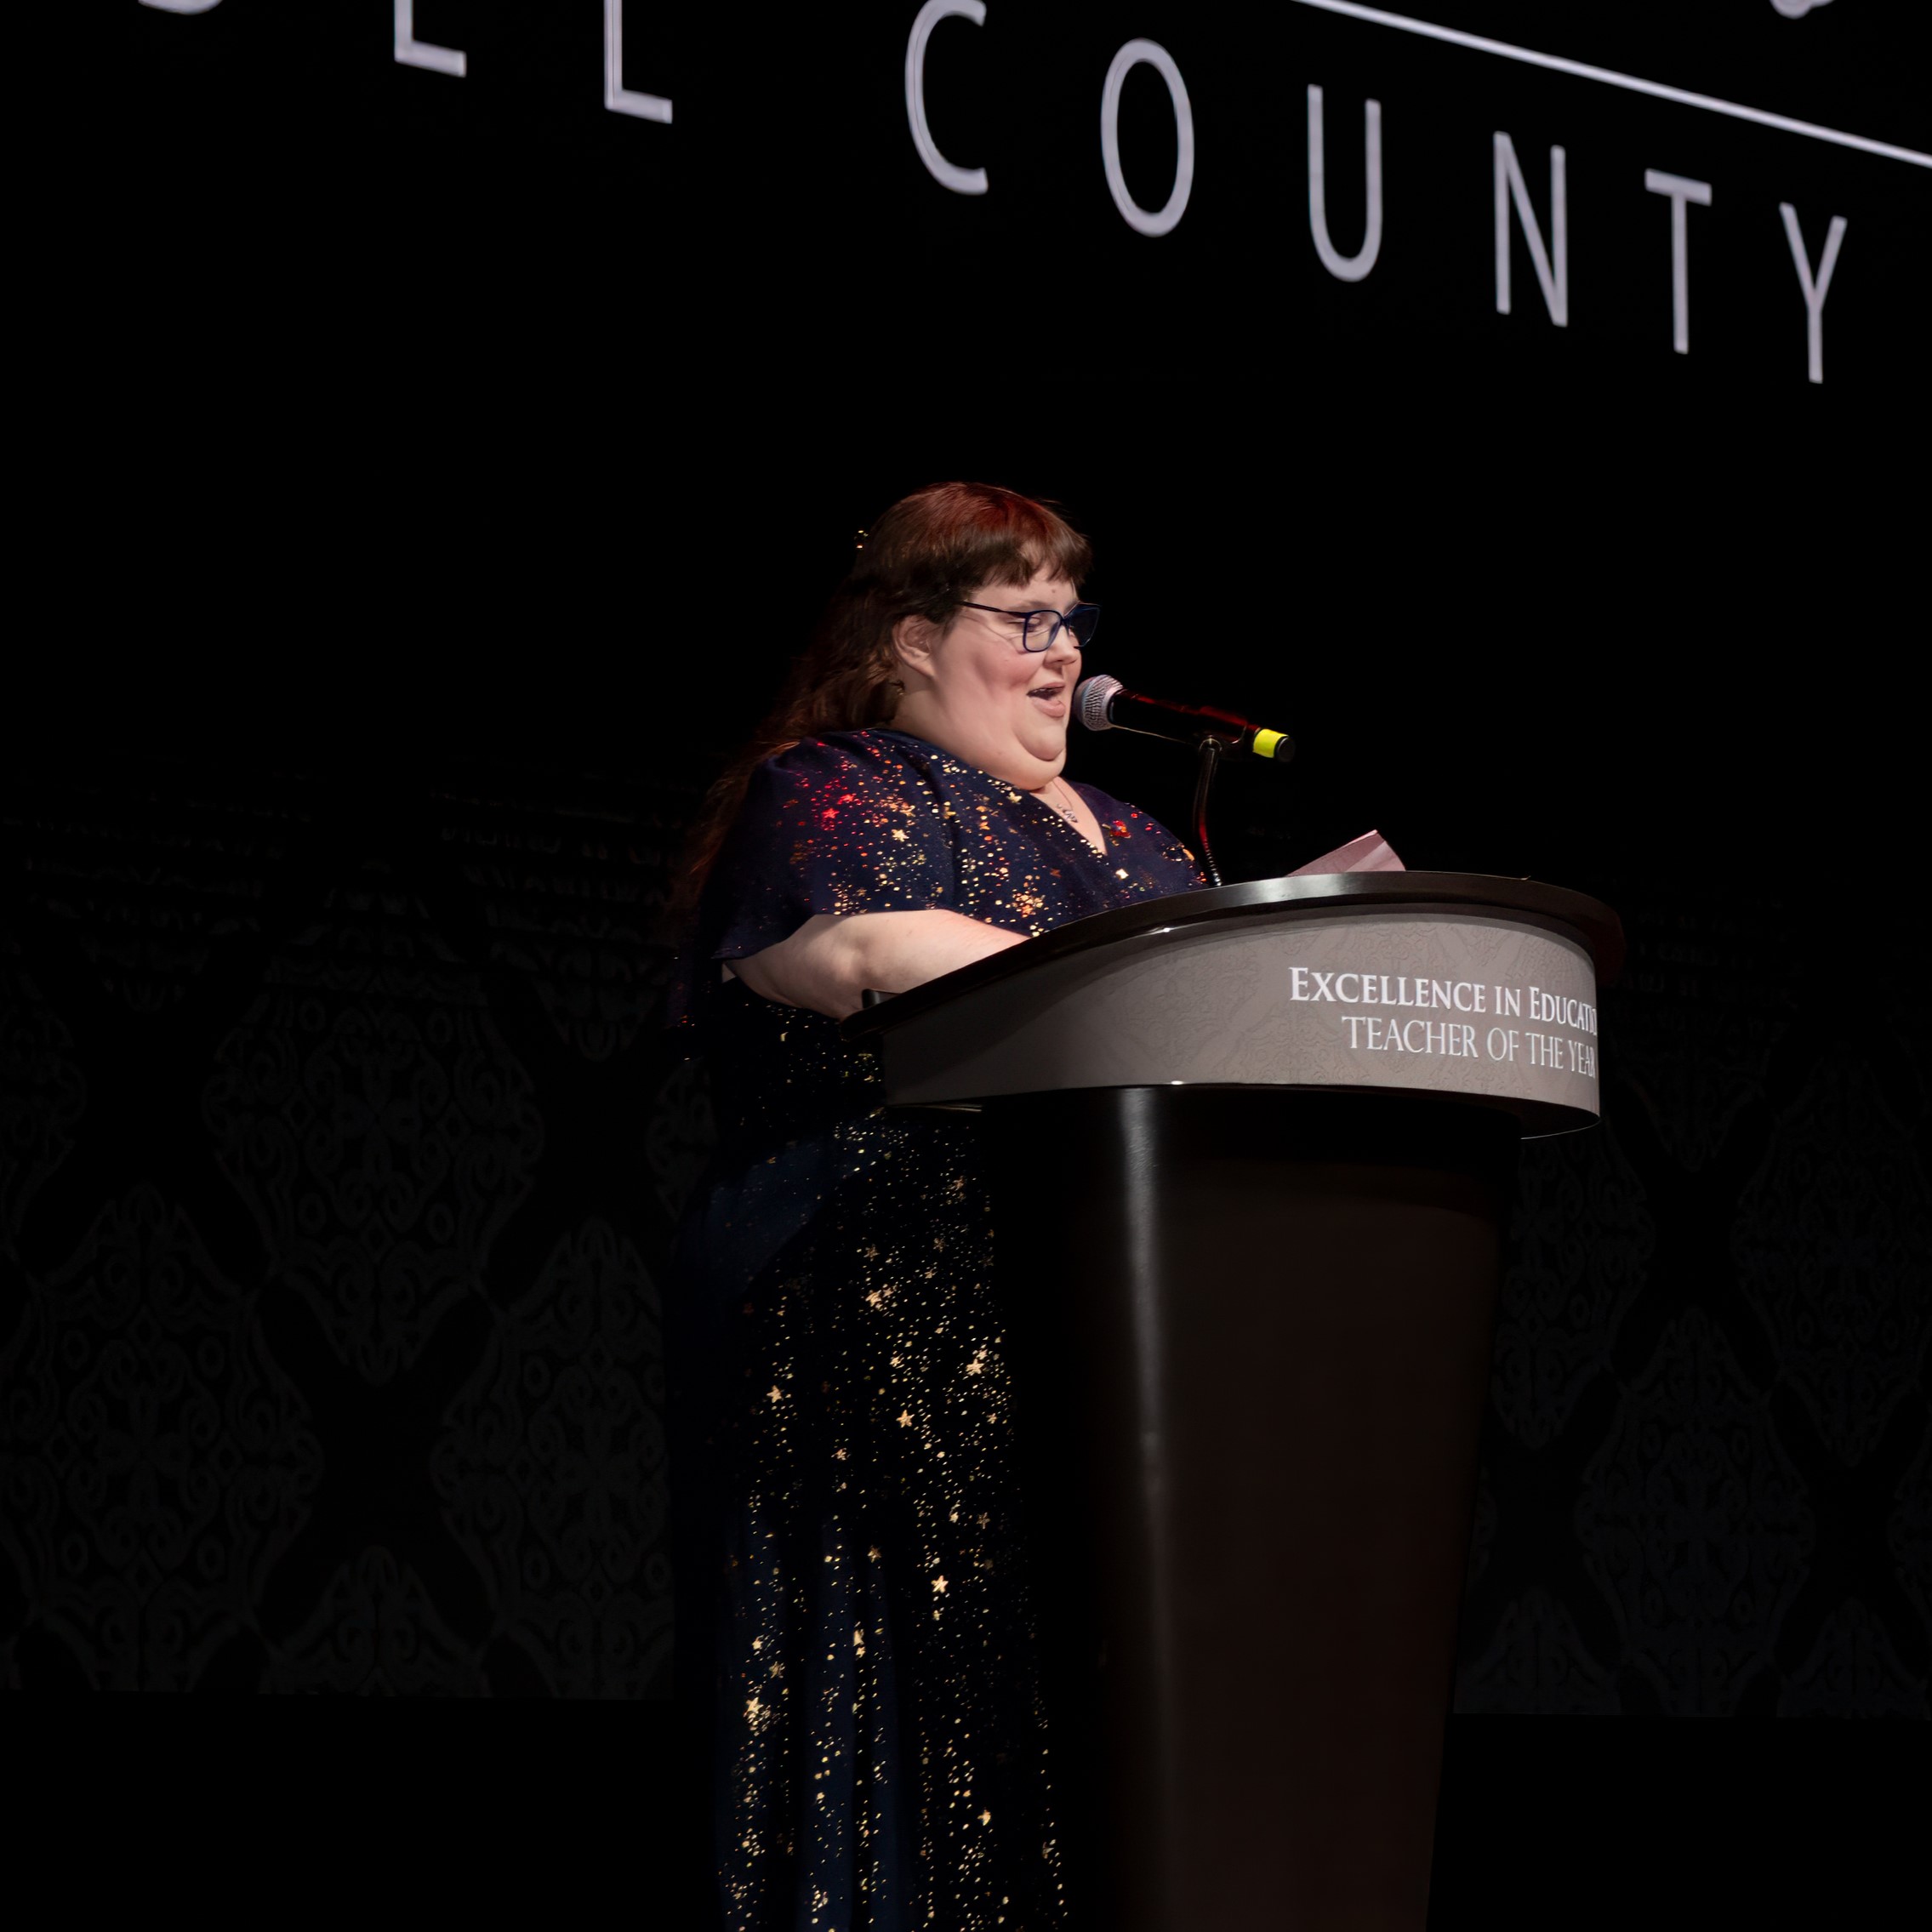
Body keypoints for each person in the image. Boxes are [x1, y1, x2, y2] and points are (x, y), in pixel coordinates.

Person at [667, 481, 1205, 1931]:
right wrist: (1155, 991)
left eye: (1071, 618)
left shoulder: (1149, 839)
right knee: (914, 1730)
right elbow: (865, 952)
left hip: (1112, 1327)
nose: (1061, 652)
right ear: (909, 638)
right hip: (883, 1324)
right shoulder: (842, 786)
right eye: (1021, 618)